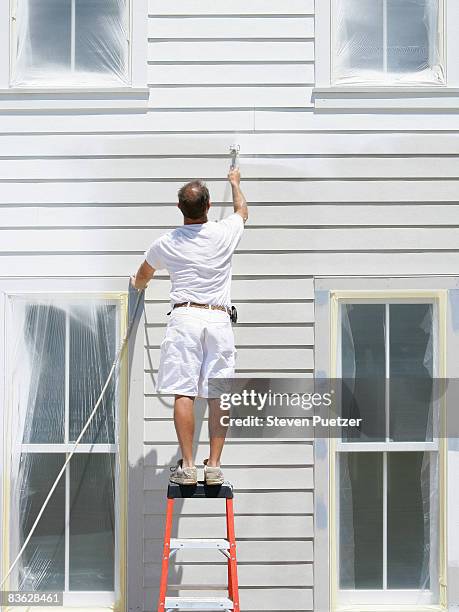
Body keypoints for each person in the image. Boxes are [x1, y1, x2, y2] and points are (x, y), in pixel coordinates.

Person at [131, 167, 248, 485]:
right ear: (208, 206)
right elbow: (242, 211)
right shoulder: (225, 232)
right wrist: (235, 183)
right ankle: (215, 466)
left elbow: (143, 275)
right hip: (219, 318)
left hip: (185, 318)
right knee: (219, 394)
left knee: (184, 392)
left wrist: (136, 286)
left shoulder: (167, 242)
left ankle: (189, 466)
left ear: (180, 208)